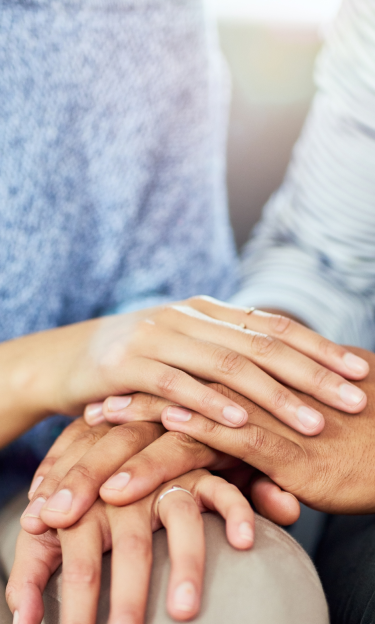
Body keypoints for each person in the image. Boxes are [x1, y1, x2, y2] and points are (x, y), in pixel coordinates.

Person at [0, 0, 347, 621]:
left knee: (244, 592)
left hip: (44, 486)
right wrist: (43, 370)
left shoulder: (147, 22)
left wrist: (152, 443)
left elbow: (168, 322)